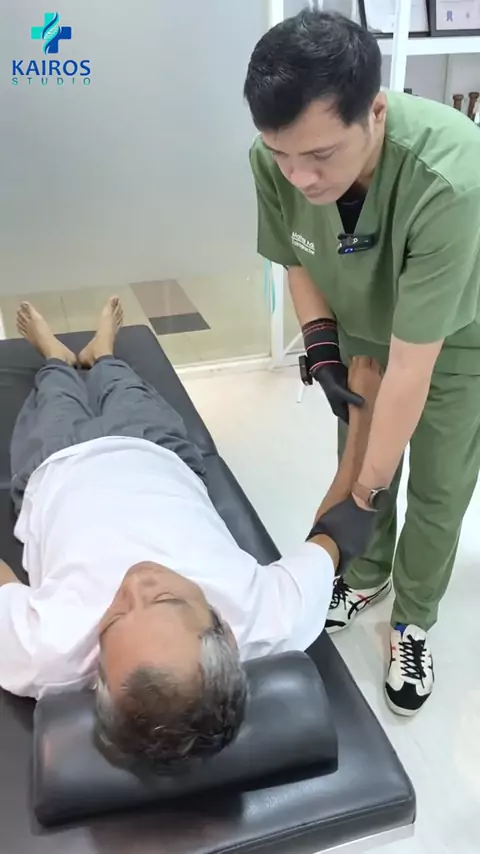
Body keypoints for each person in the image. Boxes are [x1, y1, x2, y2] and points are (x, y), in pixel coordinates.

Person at [0, 298, 380, 768]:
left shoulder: (45, 655)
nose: (134, 581)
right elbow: (340, 529)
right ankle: (104, 354)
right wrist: (364, 417)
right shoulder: (270, 619)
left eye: (113, 620)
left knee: (56, 388)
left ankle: (55, 356)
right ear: (226, 632)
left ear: (99, 679)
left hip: (55, 463)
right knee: (123, 384)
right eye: (165, 599)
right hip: (156, 447)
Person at [244, 8, 480, 716]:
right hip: (361, 327)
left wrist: (360, 495)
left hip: (454, 337)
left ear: (375, 111)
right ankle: (368, 572)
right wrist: (322, 344)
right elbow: (296, 255)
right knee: (364, 450)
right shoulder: (275, 157)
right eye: (282, 154)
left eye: (319, 155)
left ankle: (414, 619)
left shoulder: (448, 177)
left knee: (436, 485)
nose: (299, 176)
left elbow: (413, 364)